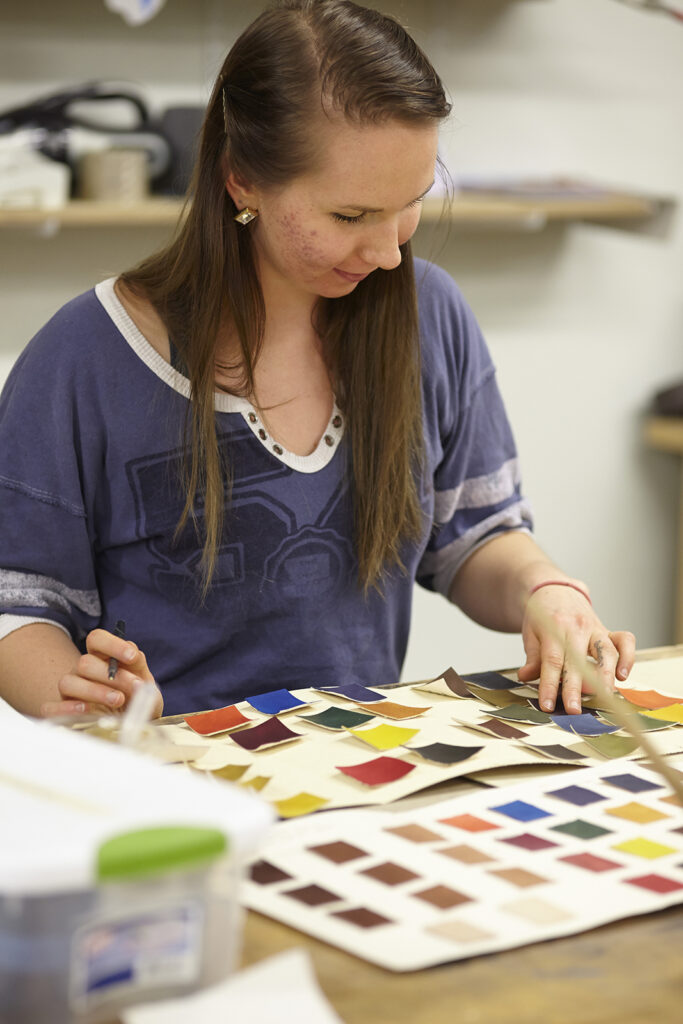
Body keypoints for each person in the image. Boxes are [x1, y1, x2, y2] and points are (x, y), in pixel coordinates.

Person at [0, 0, 634, 720]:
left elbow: (474, 537)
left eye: (411, 202)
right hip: (166, 766)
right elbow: (18, 602)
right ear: (241, 180)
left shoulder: (429, 314)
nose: (388, 252)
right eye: (349, 216)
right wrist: (83, 703)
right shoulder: (86, 357)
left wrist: (544, 591)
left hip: (361, 756)